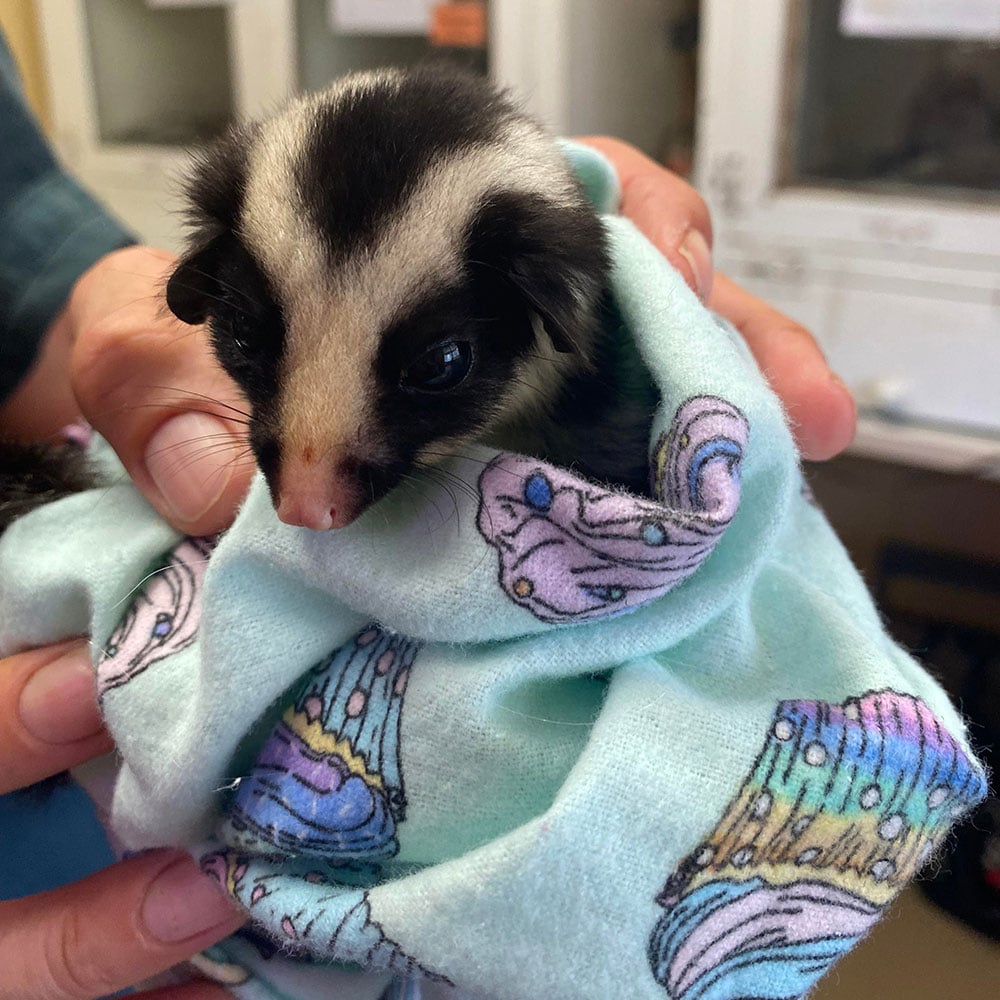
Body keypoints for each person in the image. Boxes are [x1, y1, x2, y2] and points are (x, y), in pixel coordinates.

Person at [0, 31, 855, 1000]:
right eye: (257, 345)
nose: (306, 505)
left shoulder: (577, 332)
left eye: (432, 368)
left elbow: (41, 284)